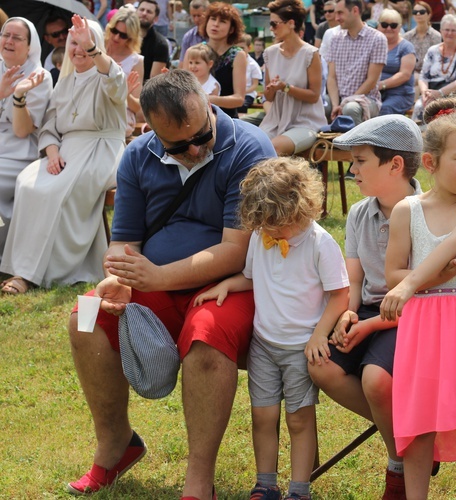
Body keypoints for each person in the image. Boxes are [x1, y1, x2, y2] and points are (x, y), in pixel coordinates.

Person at [65, 69, 275, 498]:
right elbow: (124, 242)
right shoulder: (137, 154)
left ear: (207, 106)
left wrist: (156, 276)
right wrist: (116, 278)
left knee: (206, 337)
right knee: (84, 316)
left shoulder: (249, 148)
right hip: (155, 284)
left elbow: (234, 250)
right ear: (149, 129)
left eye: (202, 135)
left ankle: (199, 480)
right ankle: (115, 446)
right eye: (179, 146)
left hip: (228, 286)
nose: (196, 150)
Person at [194, 157, 349, 500]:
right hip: (264, 344)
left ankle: (299, 489)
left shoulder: (320, 244)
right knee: (263, 416)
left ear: (303, 208)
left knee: (298, 419)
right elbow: (251, 277)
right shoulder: (261, 236)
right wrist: (227, 285)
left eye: (280, 226)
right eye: (265, 226)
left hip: (300, 348)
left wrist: (318, 335)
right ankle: (265, 485)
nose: (273, 232)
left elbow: (340, 295)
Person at [379, 100, 456, 500]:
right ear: (431, 163)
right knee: (419, 422)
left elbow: (454, 242)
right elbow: (393, 275)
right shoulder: (407, 211)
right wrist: (436, 277)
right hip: (425, 325)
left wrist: (412, 283)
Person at [309, 114, 436, 499]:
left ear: (395, 164)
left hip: (413, 315)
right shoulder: (360, 213)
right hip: (370, 312)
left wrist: (366, 326)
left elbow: (422, 293)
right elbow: (355, 278)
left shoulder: (427, 214)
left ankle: (399, 464)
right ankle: (411, 439)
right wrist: (347, 312)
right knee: (322, 367)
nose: (352, 170)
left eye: (361, 160)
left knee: (376, 379)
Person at [0, 15, 126, 295]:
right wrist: (53, 151)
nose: (78, 50)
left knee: (53, 190)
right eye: (73, 43)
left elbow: (116, 82)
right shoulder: (65, 82)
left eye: (84, 44)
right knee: (26, 180)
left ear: (95, 46)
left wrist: (93, 48)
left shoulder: (108, 75)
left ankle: (33, 273)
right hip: (65, 151)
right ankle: (19, 265)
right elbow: (49, 126)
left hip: (101, 150)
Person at [0, 17, 53, 261]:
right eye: (5, 35)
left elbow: (22, 131)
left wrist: (18, 96)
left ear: (29, 45)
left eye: (16, 37)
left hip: (18, 151)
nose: (8, 41)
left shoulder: (39, 76)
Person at [260, 0, 327, 156]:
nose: (271, 28)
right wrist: (271, 90)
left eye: (274, 23)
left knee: (272, 149)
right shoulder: (270, 53)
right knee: (250, 148)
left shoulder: (310, 54)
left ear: (291, 23)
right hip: (274, 122)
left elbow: (314, 96)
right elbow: (268, 97)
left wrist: (285, 87)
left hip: (305, 123)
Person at [328, 0, 387, 124]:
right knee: (323, 104)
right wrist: (335, 105)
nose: (336, 18)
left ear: (355, 11)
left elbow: (371, 81)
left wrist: (346, 102)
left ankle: (358, 143)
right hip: (339, 98)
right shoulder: (335, 39)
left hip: (366, 99)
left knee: (351, 108)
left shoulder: (377, 38)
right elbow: (331, 77)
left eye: (340, 13)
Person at [413, 14, 456, 123]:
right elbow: (423, 77)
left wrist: (439, 93)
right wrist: (425, 93)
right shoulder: (432, 50)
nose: (449, 33)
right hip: (431, 93)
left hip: (452, 95)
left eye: (453, 30)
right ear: (441, 31)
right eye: (446, 30)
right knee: (420, 106)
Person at [201, 2, 247, 118]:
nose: (215, 24)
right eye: (212, 19)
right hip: (198, 119)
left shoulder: (237, 55)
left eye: (222, 21)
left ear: (231, 29)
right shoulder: (194, 52)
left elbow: (239, 99)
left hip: (227, 119)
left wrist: (207, 99)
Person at [105, 8, 144, 138]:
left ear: (131, 38)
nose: (116, 37)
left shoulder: (136, 61)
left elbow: (137, 107)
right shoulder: (98, 47)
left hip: (120, 117)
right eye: (114, 31)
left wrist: (124, 92)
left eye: (123, 35)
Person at [377, 9, 417, 116]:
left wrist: (381, 85)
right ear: (378, 26)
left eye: (393, 25)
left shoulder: (406, 47)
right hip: (375, 92)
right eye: (384, 24)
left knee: (384, 109)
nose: (388, 28)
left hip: (399, 94)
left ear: (399, 28)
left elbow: (404, 75)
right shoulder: (373, 45)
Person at [403, 1, 442, 75]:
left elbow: (436, 60)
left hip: (430, 74)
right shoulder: (407, 36)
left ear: (429, 15)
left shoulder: (436, 36)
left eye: (422, 12)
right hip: (411, 74)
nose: (418, 14)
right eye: (415, 12)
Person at [138, 0, 170, 80]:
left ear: (156, 19)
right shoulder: (124, 36)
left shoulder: (160, 44)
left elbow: (154, 82)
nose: (144, 13)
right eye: (142, 10)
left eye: (149, 12)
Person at [179, 0, 210, 68]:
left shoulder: (214, 36)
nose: (196, 19)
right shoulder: (188, 36)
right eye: (193, 16)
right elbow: (182, 64)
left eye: (199, 16)